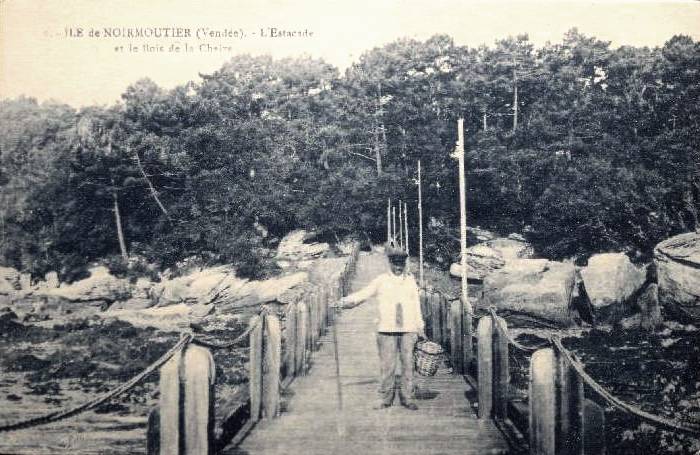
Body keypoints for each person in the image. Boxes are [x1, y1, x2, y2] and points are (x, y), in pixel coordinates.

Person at [338, 247, 425, 410]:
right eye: (395, 264)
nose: (398, 267)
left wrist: (420, 327)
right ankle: (386, 398)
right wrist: (344, 301)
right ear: (390, 263)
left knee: (408, 365)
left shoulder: (410, 281)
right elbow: (363, 294)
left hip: (408, 329)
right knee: (388, 366)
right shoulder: (381, 280)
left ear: (404, 264)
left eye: (401, 264)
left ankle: (408, 398)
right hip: (386, 329)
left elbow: (416, 305)